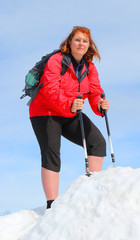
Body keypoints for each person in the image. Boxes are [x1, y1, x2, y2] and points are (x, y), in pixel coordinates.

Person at [29, 26, 109, 209]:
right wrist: (69, 104)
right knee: (52, 153)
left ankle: (92, 193)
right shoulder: (57, 60)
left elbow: (95, 92)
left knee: (97, 142)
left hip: (70, 112)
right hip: (45, 112)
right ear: (70, 43)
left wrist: (99, 104)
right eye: (77, 40)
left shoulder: (90, 67)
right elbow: (49, 90)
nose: (81, 44)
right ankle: (52, 205)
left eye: (85, 41)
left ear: (89, 45)